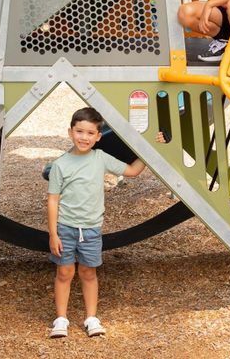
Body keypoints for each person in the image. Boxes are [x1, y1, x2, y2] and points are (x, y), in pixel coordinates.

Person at [47, 107, 146, 339]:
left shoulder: (101, 158)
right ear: (70, 132)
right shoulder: (60, 165)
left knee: (88, 272)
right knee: (64, 272)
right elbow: (53, 201)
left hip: (91, 229)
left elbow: (132, 171)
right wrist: (53, 234)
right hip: (65, 228)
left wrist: (151, 151)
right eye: (79, 131)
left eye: (90, 133)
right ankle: (61, 319)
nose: (84, 137)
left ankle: (91, 318)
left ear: (98, 137)